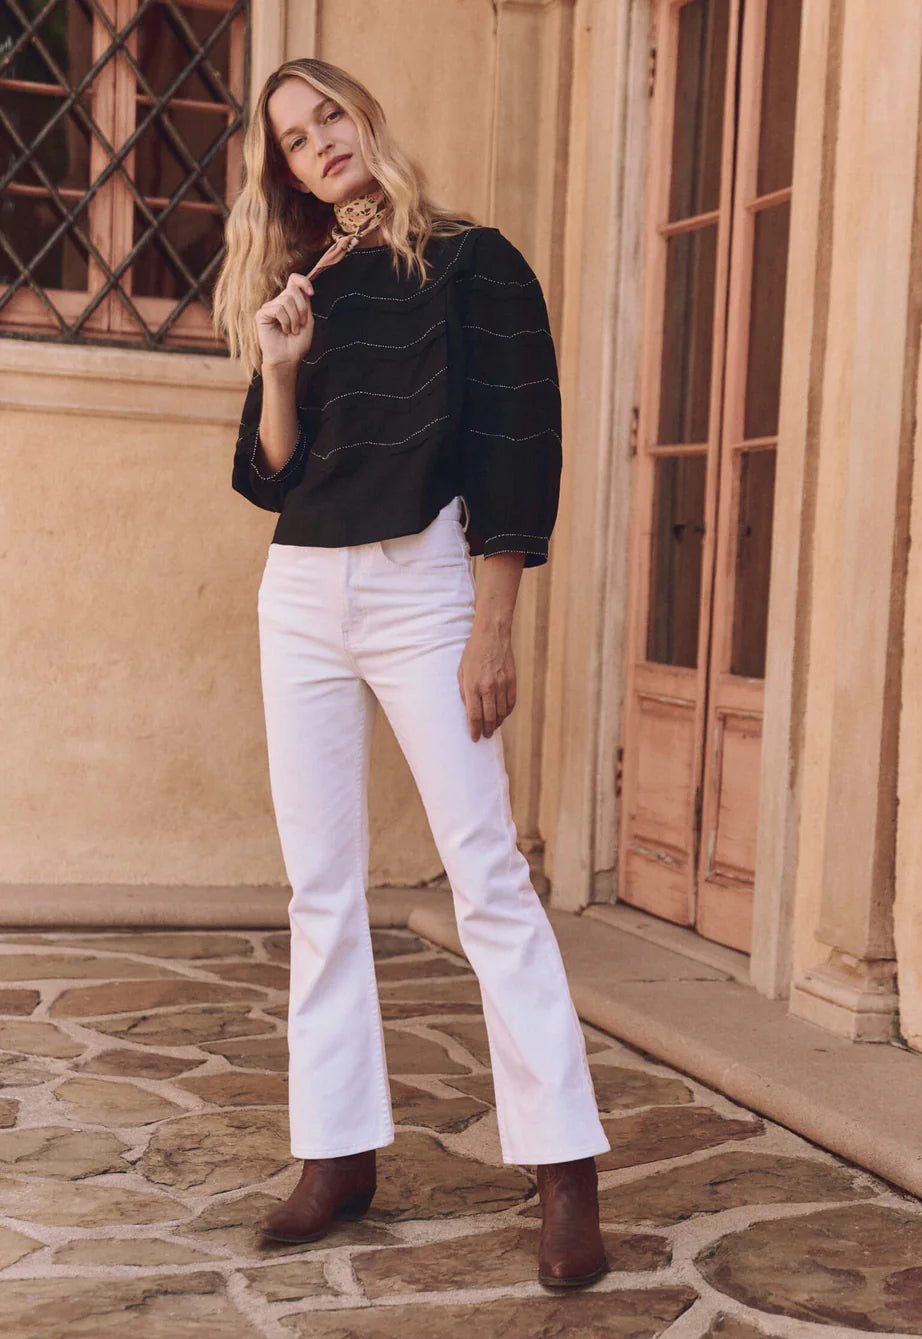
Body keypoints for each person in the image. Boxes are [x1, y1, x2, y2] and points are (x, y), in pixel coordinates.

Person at [212, 58, 610, 1287]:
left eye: (327, 114)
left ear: (366, 116)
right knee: (319, 886)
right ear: (281, 169)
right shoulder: (307, 286)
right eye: (291, 137)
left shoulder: (475, 262)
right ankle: (338, 1153)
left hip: (426, 583)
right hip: (302, 594)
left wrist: (494, 621)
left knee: (486, 872)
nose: (317, 142)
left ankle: (563, 1169)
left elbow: (516, 445)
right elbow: (274, 473)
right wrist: (279, 364)